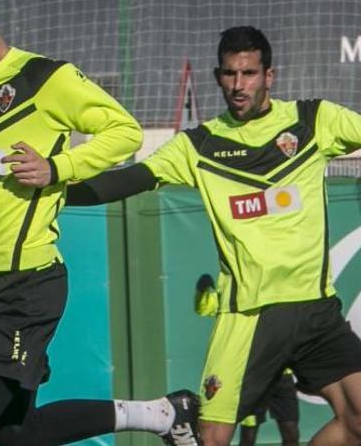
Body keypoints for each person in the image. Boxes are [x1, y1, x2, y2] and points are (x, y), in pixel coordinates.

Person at [0, 0, 201, 446]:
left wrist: (57, 168)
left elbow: (125, 132)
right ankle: (164, 414)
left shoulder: (45, 79)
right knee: (19, 433)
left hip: (27, 285)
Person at [65, 26, 361, 445]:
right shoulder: (199, 145)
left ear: (269, 76)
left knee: (358, 421)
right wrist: (55, 187)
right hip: (250, 315)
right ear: (218, 76)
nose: (239, 85)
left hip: (316, 309)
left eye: (249, 74)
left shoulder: (314, 121)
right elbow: (129, 180)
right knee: (213, 439)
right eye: (229, 74)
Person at [195, 275, 300, 446]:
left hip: (282, 375)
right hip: (253, 374)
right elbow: (205, 307)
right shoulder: (237, 293)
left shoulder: (285, 296)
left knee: (291, 433)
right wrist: (202, 290)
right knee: (248, 436)